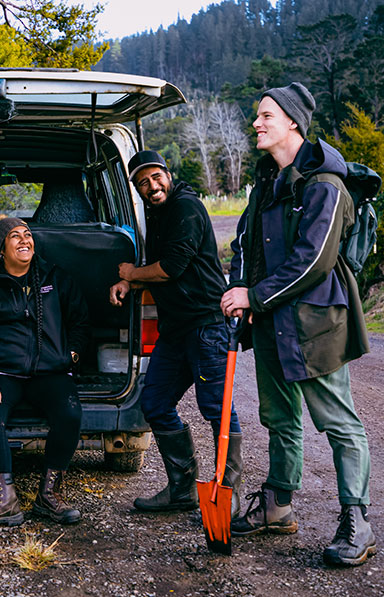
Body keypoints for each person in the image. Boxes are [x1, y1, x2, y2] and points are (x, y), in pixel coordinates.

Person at [220, 82, 375, 566]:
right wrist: (242, 291)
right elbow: (247, 246)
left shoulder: (324, 185)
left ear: (292, 122)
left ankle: (358, 520)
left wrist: (254, 294)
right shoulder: (268, 182)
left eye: (265, 115)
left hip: (316, 323)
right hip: (269, 322)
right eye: (257, 116)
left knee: (338, 423)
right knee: (279, 418)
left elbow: (314, 262)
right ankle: (278, 505)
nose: (256, 124)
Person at [109, 151, 243, 515]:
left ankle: (227, 498)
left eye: (156, 177)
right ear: (136, 189)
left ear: (168, 173)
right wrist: (130, 283)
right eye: (143, 182)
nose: (152, 186)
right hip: (175, 329)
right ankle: (182, 489)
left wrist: (131, 273)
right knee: (154, 402)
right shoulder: (156, 212)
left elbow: (171, 268)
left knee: (217, 410)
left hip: (206, 327)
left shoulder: (186, 207)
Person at [0, 216, 89, 529]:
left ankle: (50, 496)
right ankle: (5, 502)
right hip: (5, 374)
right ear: (1, 249)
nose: (24, 240)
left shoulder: (55, 278)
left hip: (51, 373)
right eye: (14, 236)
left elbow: (80, 321)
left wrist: (71, 355)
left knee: (70, 413)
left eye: (27, 234)